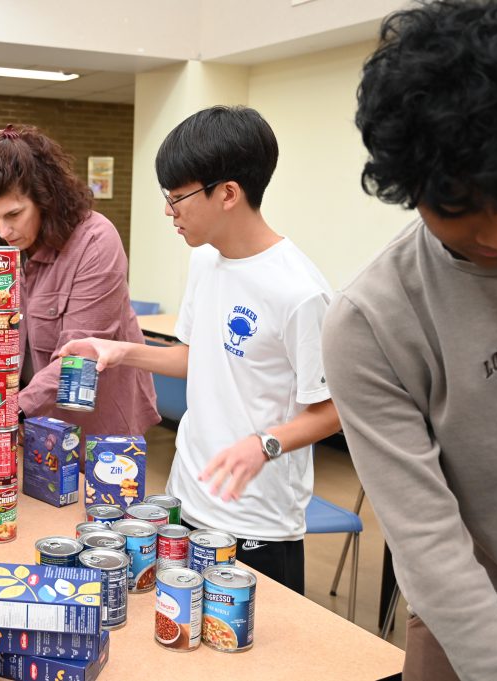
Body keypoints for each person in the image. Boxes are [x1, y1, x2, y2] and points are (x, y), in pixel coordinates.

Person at [61, 106, 340, 593]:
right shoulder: (206, 262)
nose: (169, 211)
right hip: (185, 498)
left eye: (178, 197)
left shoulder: (299, 292)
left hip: (257, 519)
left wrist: (264, 444)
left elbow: (334, 410)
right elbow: (196, 359)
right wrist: (118, 351)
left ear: (228, 192)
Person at [322, 2, 497, 679]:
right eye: (457, 209)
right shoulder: (371, 321)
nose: (495, 235)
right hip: (471, 598)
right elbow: (430, 545)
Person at [0, 125, 158, 440]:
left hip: (94, 418)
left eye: (14, 214)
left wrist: (5, 412)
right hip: (17, 416)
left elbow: (79, 355)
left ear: (45, 198)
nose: (3, 230)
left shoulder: (95, 242)